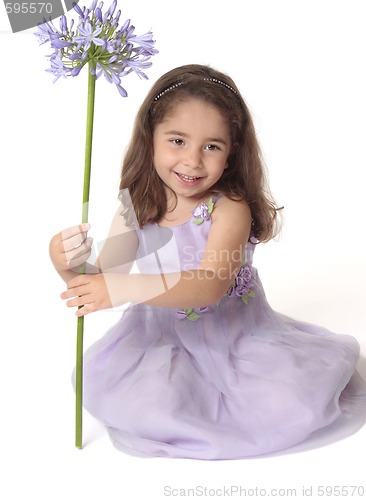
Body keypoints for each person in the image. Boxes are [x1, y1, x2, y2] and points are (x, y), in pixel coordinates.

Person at [49, 64, 366, 459]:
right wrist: (67, 263)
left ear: (232, 152)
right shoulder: (137, 204)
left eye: (212, 146)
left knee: (285, 403)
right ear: (150, 138)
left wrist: (117, 290)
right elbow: (107, 277)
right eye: (177, 140)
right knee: (150, 403)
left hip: (232, 341)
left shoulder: (229, 208)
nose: (193, 161)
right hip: (157, 340)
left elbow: (210, 282)